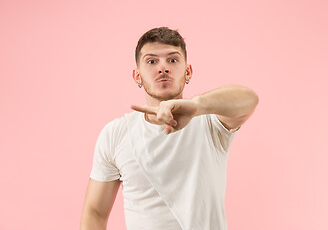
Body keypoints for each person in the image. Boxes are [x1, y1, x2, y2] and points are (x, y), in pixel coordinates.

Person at [80, 27, 259, 230]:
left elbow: (249, 99)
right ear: (137, 76)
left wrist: (198, 105)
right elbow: (95, 212)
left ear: (188, 71)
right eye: (152, 61)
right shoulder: (116, 134)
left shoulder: (209, 121)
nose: (163, 68)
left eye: (172, 60)